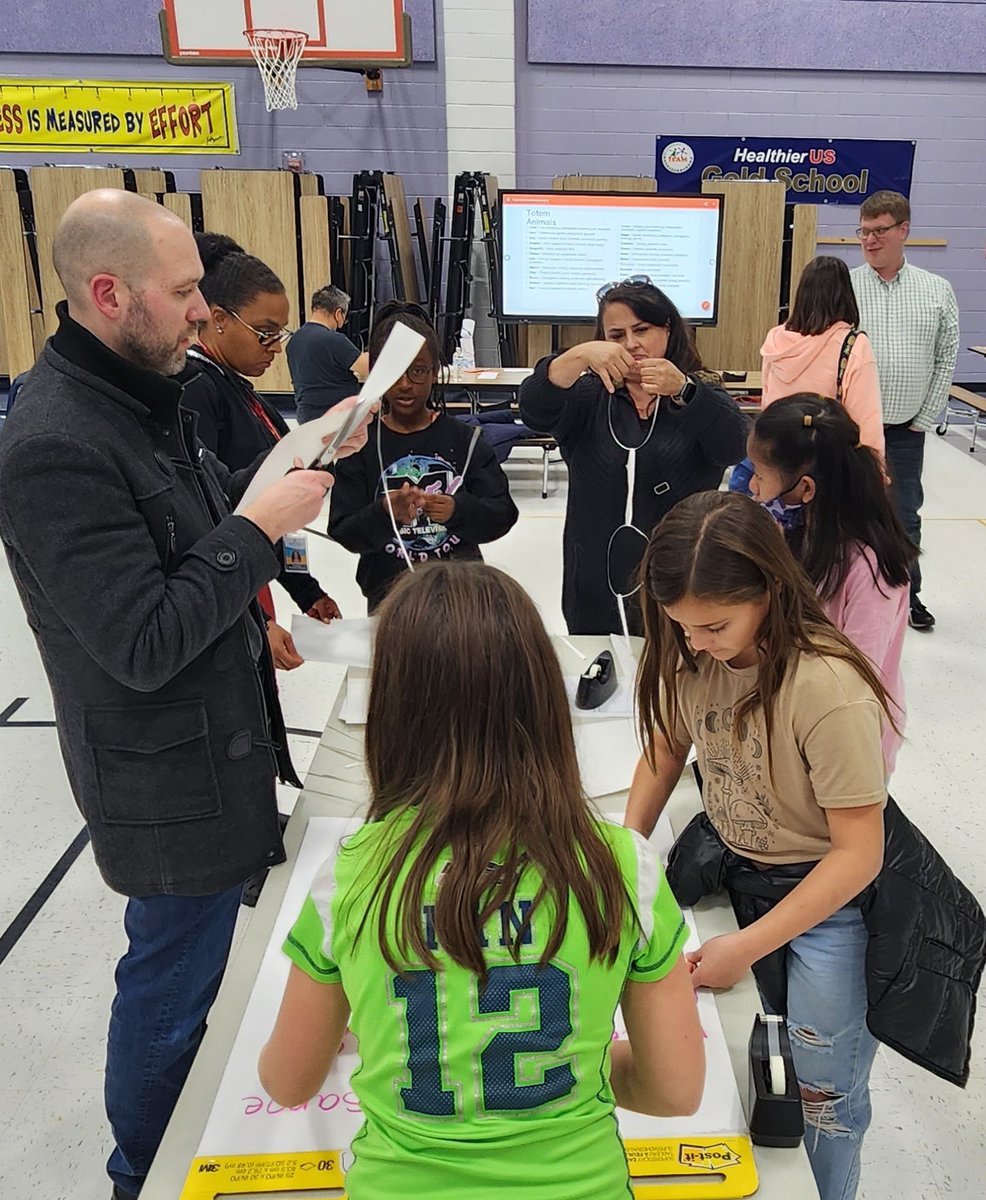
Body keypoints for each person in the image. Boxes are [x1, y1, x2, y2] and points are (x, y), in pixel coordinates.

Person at [0, 189, 370, 1200]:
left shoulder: (142, 395)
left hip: (222, 748)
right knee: (169, 986)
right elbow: (142, 639)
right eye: (183, 293)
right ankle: (141, 1171)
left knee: (203, 968)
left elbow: (197, 529)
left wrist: (299, 465)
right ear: (109, 294)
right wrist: (261, 531)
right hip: (167, 785)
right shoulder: (56, 445)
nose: (203, 311)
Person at [259, 561, 705, 1200]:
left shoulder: (354, 872)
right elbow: (675, 1090)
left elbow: (287, 1082)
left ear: (391, 710)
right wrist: (561, 1061)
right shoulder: (624, 867)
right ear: (543, 698)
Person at [519, 276, 748, 637]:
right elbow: (534, 410)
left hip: (682, 576)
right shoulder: (590, 396)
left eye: (641, 330)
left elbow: (735, 446)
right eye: (616, 335)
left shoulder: (698, 393)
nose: (631, 344)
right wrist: (577, 356)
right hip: (594, 580)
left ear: (667, 329)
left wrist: (684, 391)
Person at [178, 233, 342, 671]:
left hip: (251, 575)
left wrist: (306, 589)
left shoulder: (241, 390)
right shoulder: (195, 391)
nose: (276, 348)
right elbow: (206, 522)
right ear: (218, 319)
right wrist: (259, 622)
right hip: (226, 591)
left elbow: (273, 509)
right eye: (265, 334)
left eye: (279, 335)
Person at [747, 395, 915, 776]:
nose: (752, 487)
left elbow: (854, 677)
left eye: (759, 474)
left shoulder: (872, 571)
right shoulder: (796, 533)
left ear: (805, 489)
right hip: (792, 725)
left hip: (846, 744)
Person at [329, 302, 518, 612]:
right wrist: (384, 513)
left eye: (417, 371)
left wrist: (458, 511)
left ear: (434, 372)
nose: (405, 384)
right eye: (394, 371)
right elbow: (343, 531)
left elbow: (503, 514)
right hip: (389, 602)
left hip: (461, 597)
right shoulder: (360, 445)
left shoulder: (465, 440)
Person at [850, 190, 960, 631]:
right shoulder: (846, 287)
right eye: (864, 232)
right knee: (847, 514)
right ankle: (848, 598)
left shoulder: (936, 290)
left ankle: (907, 597)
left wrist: (925, 418)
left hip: (905, 429)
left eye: (879, 231)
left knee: (904, 516)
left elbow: (946, 356)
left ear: (904, 230)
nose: (870, 240)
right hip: (853, 431)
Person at [762, 257, 884, 456]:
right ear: (845, 294)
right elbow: (867, 420)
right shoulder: (853, 344)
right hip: (827, 458)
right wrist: (876, 467)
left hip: (778, 454)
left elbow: (767, 403)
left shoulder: (775, 339)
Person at [287, 283, 369, 424]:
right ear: (338, 313)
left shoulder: (294, 340)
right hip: (337, 419)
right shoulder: (334, 340)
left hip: (306, 418)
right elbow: (368, 368)